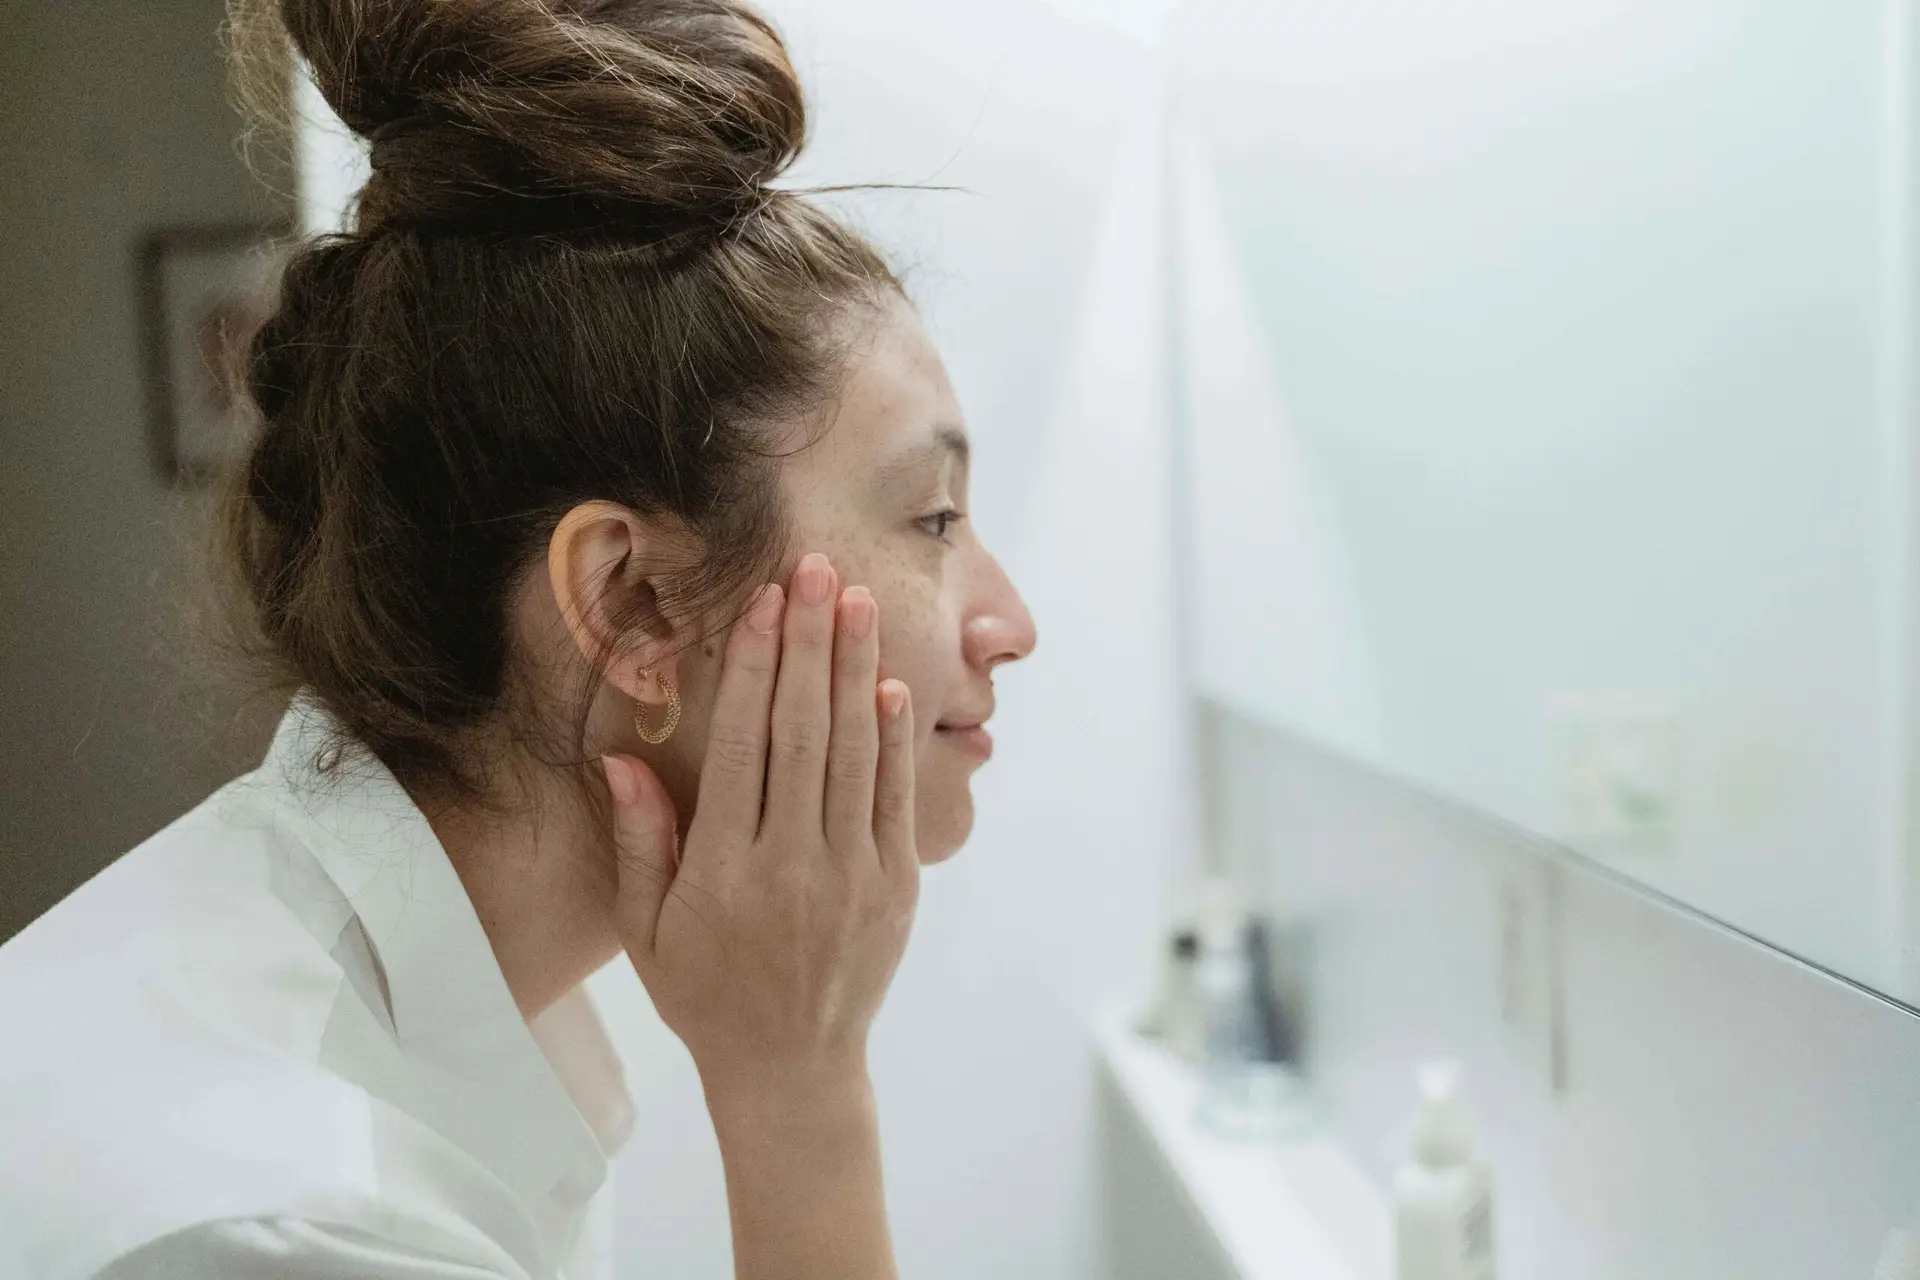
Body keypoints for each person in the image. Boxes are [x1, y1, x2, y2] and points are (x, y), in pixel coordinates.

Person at [0, 0, 1036, 1276]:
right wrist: (800, 1100)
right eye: (932, 517)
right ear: (629, 604)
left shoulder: (405, 1005)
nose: (1010, 624)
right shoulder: (285, 1224)